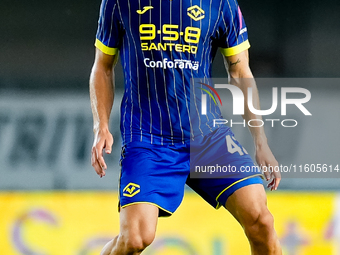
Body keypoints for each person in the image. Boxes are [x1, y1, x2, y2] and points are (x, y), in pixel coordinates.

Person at [90, 0, 282, 254]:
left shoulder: (221, 4)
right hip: (149, 139)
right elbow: (103, 66)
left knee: (262, 221)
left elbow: (240, 72)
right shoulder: (120, 3)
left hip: (208, 136)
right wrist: (100, 126)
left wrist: (261, 141)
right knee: (135, 239)